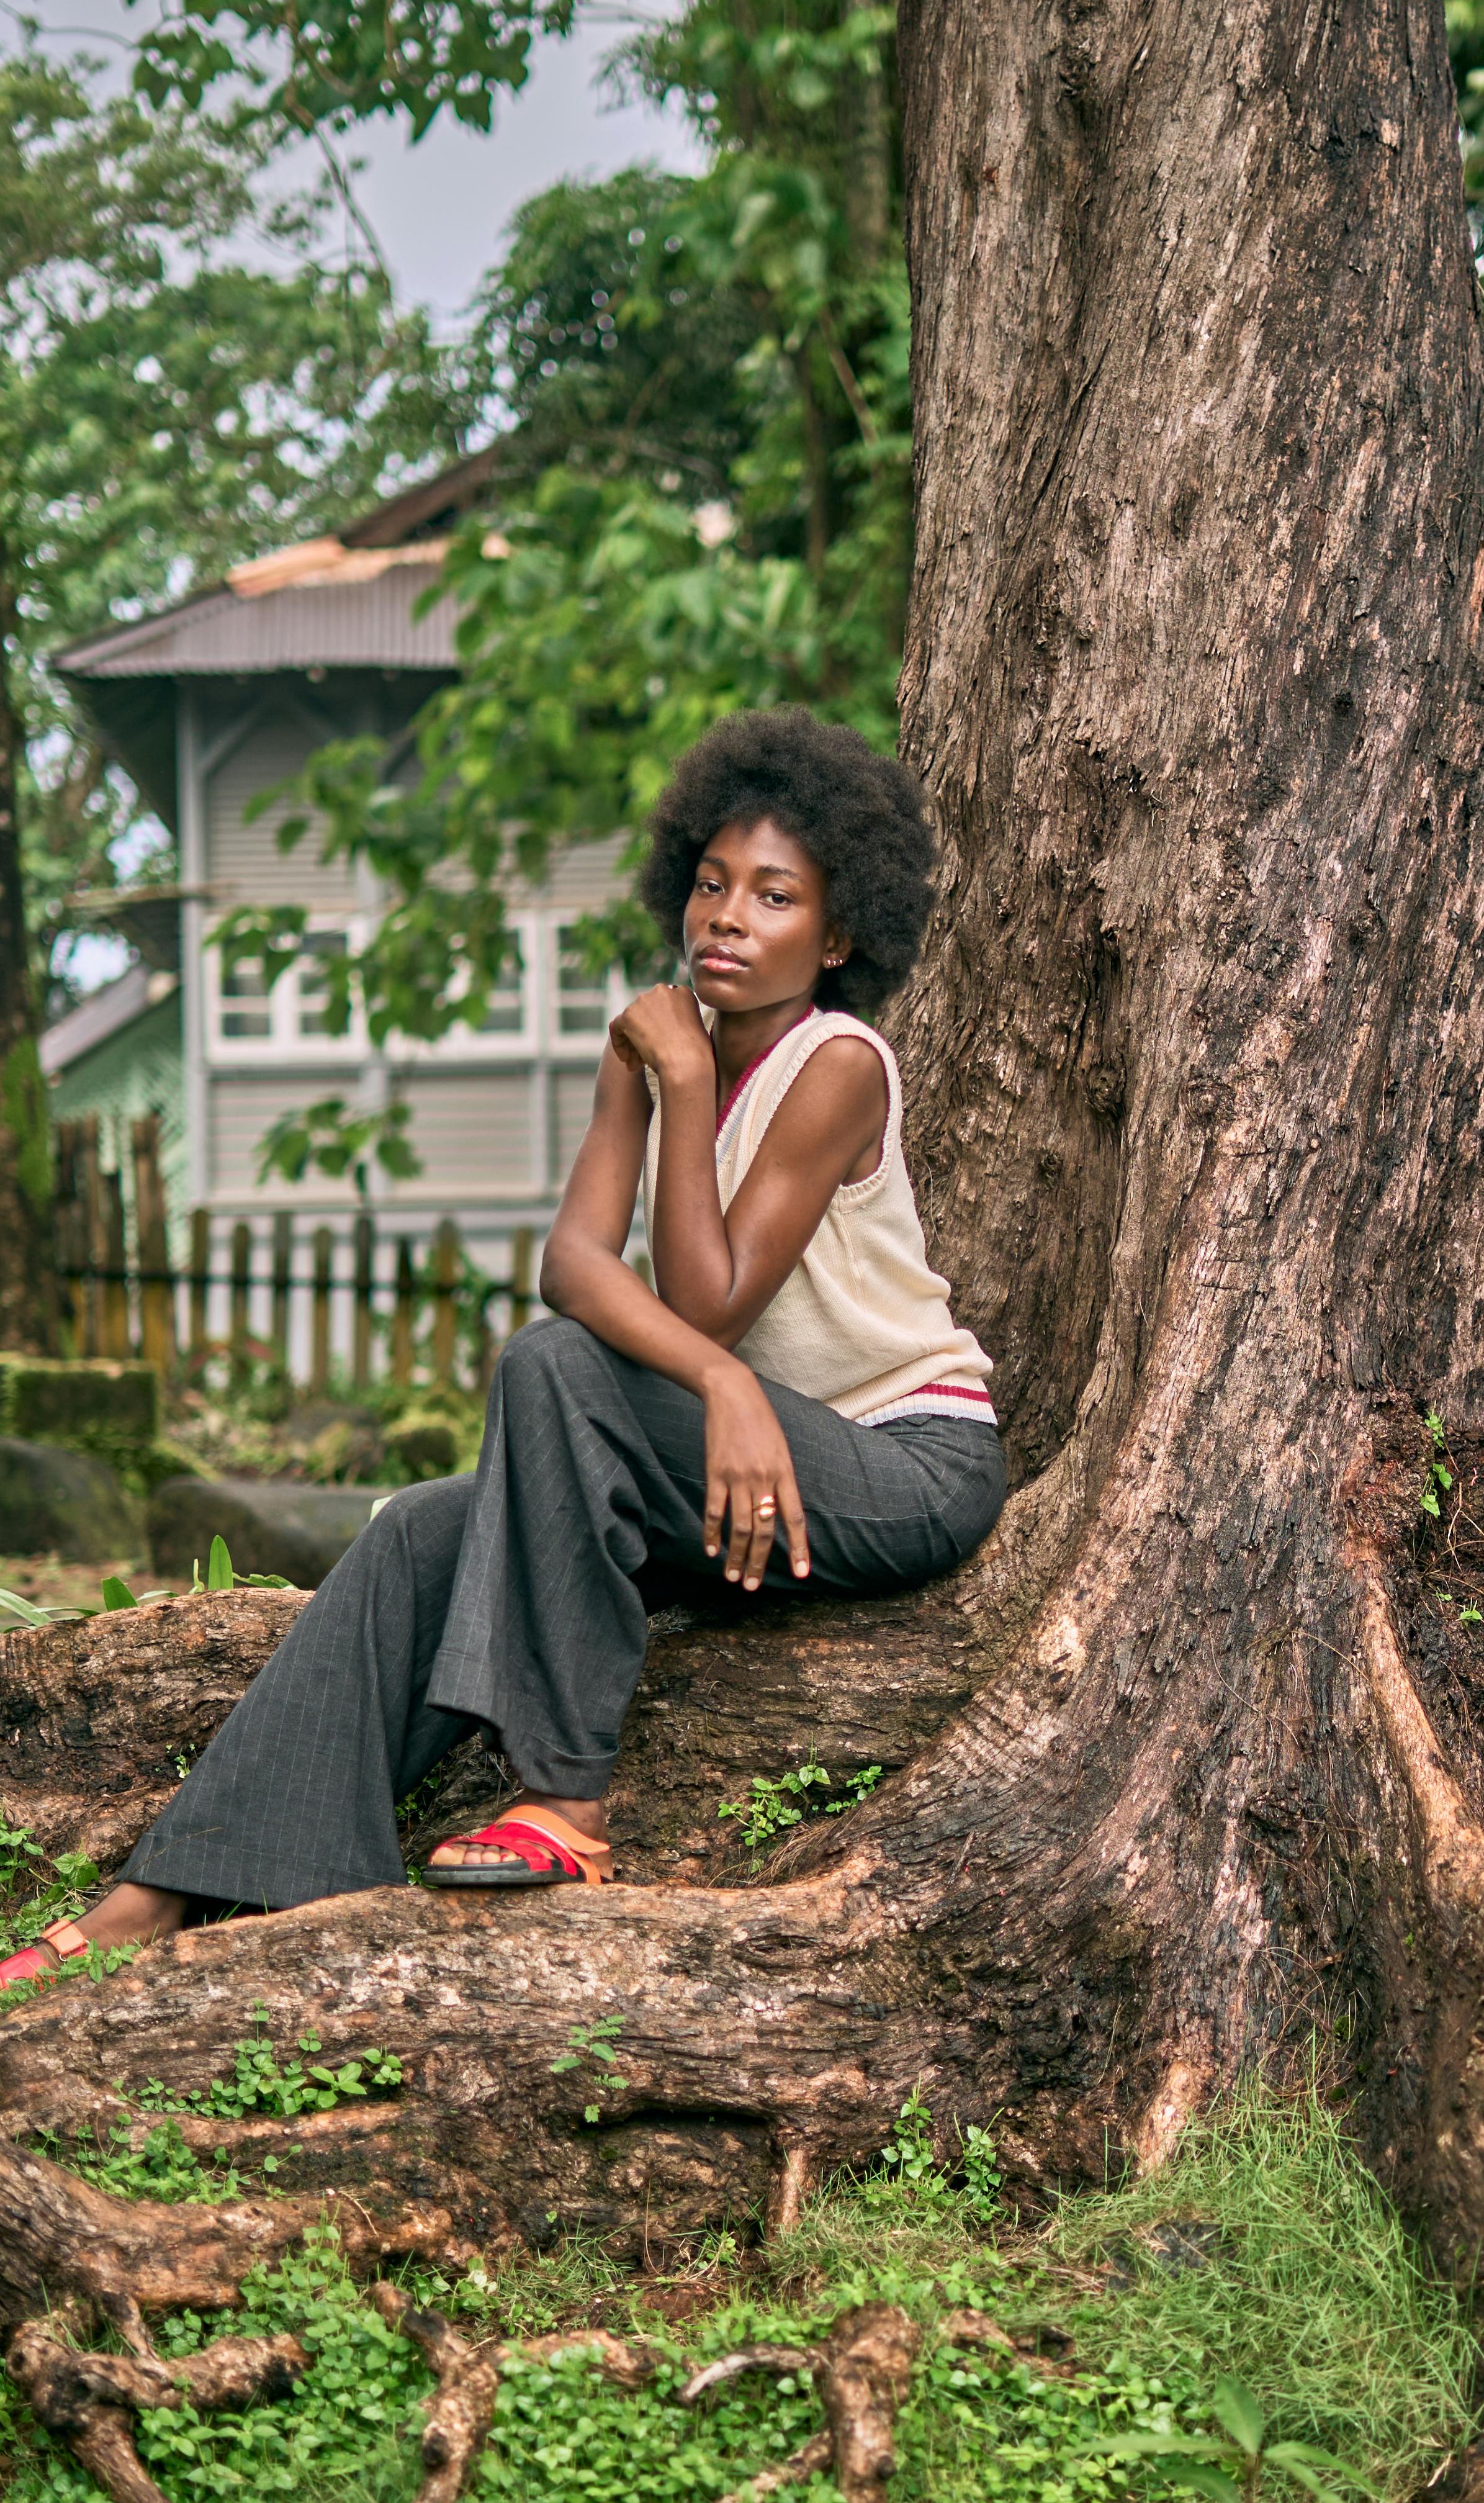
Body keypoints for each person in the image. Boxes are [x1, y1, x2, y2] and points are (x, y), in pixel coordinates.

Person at [0, 710, 1007, 1989]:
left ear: (839, 932)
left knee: (553, 1365)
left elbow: (704, 1304)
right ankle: (177, 1890)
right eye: (710, 884)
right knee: (421, 1530)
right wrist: (715, 1364)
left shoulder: (837, 1063)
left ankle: (565, 1800)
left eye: (774, 896)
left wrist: (687, 1128)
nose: (727, 918)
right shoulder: (657, 1048)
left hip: (902, 1465)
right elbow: (572, 1266)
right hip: (734, 1462)